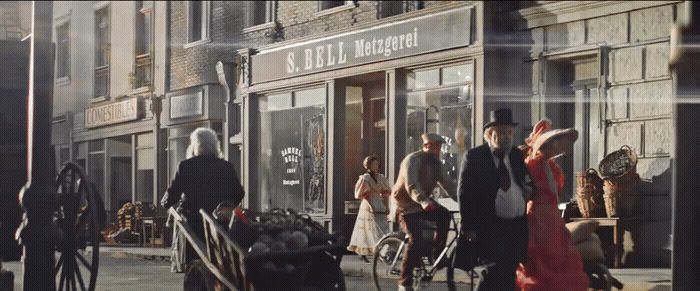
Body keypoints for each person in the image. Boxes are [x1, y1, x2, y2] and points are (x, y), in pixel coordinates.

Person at [454, 108, 535, 291]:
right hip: (490, 226)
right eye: (502, 132)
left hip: (516, 227)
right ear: (490, 134)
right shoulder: (475, 156)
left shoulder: (514, 155)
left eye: (509, 132)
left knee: (508, 274)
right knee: (495, 271)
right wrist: (468, 226)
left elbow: (528, 182)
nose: (507, 137)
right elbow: (464, 193)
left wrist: (529, 190)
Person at [515, 119, 589, 290]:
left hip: (553, 220)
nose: (558, 148)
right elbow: (525, 193)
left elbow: (555, 192)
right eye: (555, 143)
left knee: (561, 259)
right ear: (545, 145)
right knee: (542, 264)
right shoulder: (531, 166)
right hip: (537, 220)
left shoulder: (553, 168)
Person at [161, 127, 245, 266]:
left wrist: (166, 203)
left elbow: (172, 196)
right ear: (215, 145)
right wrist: (227, 206)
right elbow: (239, 192)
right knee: (222, 261)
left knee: (195, 263)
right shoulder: (226, 166)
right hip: (220, 224)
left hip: (194, 224)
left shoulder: (186, 166)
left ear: (194, 146)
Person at [391, 133, 457, 291]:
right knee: (416, 239)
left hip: (422, 204)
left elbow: (449, 185)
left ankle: (437, 253)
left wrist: (464, 200)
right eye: (436, 146)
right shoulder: (412, 160)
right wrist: (424, 201)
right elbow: (412, 185)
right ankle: (404, 282)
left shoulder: (437, 164)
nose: (439, 150)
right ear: (426, 146)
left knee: (444, 215)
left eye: (440, 147)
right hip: (405, 205)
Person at [347, 155, 392, 262]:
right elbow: (362, 195)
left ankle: (383, 251)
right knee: (369, 230)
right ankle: (368, 252)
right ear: (368, 165)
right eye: (373, 164)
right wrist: (371, 206)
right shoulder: (365, 178)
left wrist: (386, 206)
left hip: (379, 204)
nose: (376, 166)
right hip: (368, 205)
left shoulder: (381, 178)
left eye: (377, 164)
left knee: (383, 229)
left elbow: (385, 193)